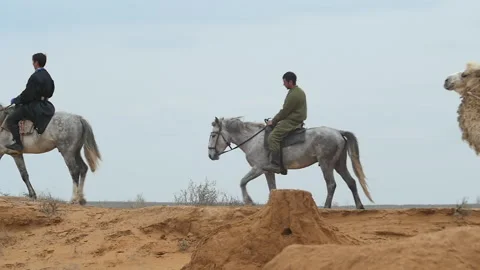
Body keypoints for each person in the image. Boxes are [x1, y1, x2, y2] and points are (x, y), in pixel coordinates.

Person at [6, 53, 55, 153]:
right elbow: (51, 92)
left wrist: (17, 100)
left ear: (36, 63)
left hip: (35, 106)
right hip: (46, 105)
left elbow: (28, 95)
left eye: (33, 62)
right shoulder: (48, 76)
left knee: (10, 119)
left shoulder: (35, 77)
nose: (32, 64)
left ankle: (18, 144)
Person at [263, 71, 307, 173]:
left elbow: (284, 111)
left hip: (292, 121)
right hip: (294, 119)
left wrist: (273, 122)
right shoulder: (298, 91)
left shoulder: (294, 94)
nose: (283, 84)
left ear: (290, 82)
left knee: (273, 137)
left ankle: (276, 164)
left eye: (284, 82)